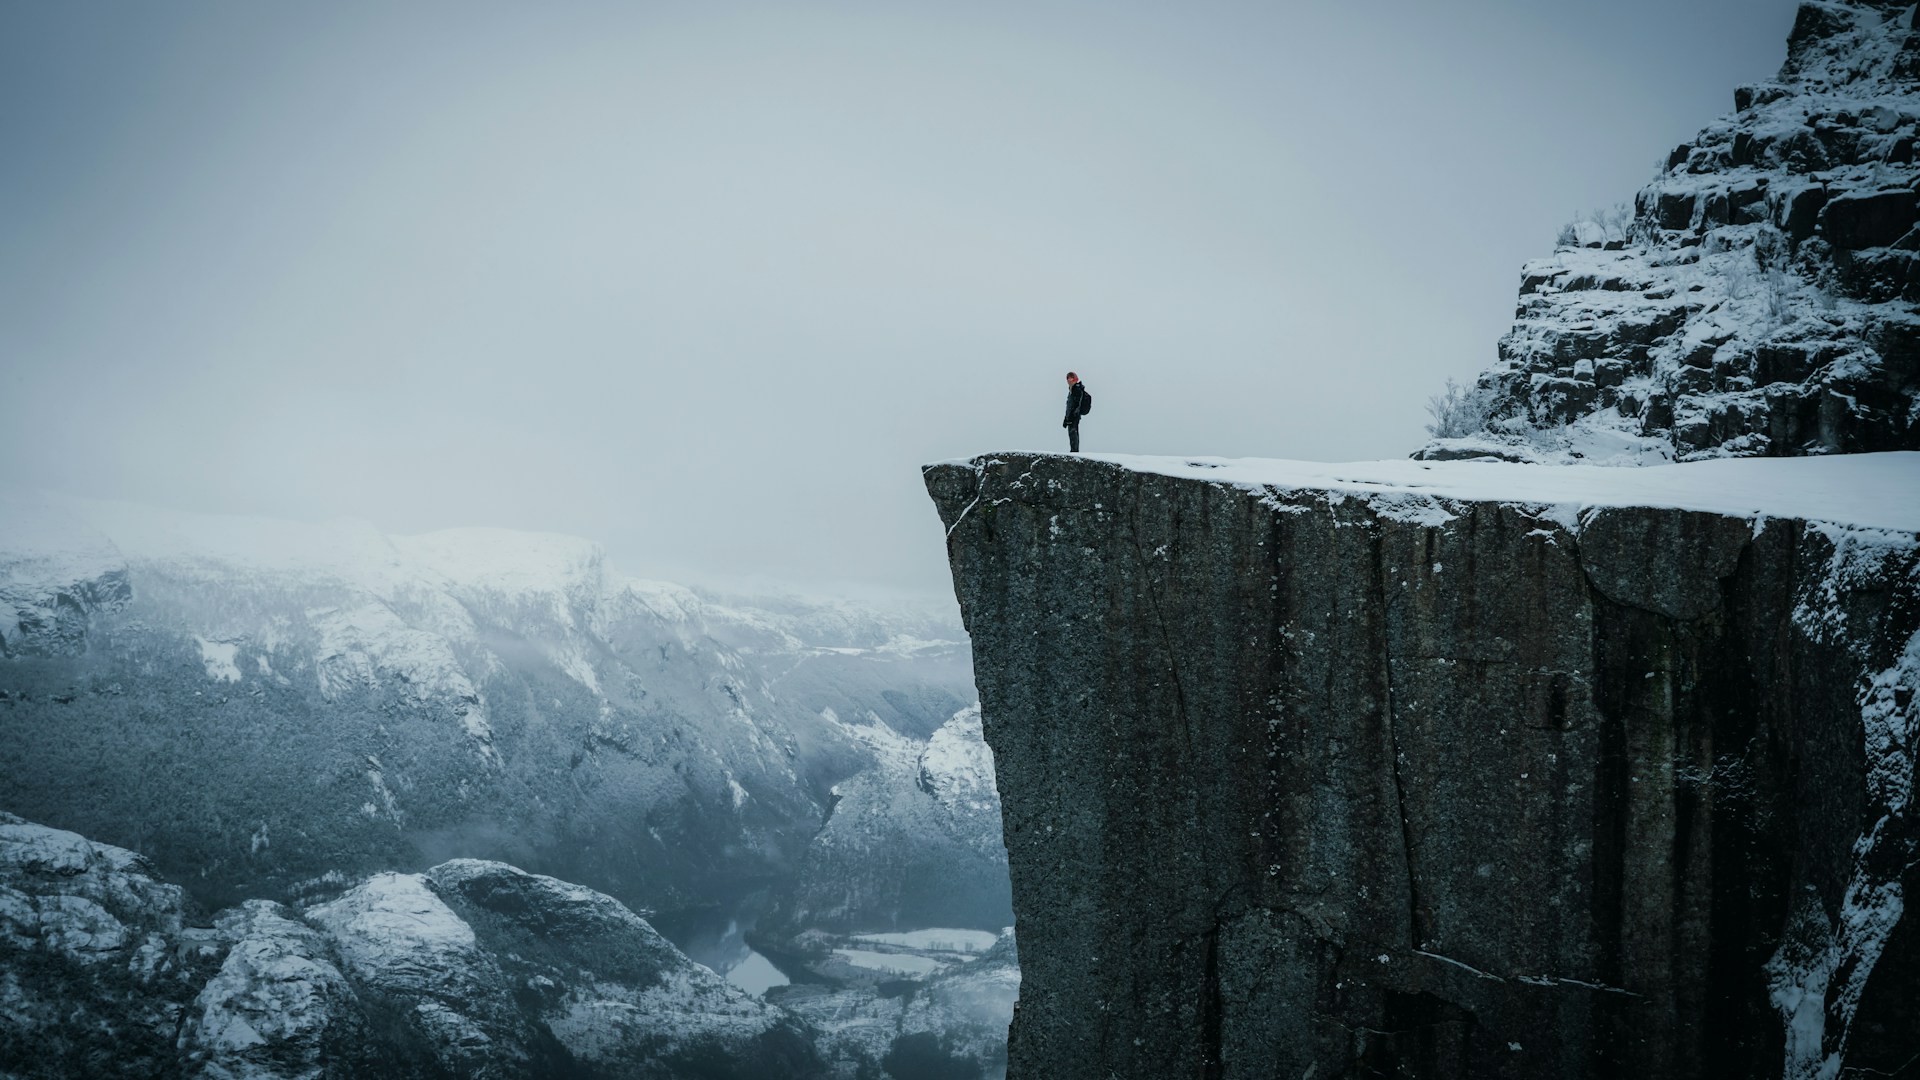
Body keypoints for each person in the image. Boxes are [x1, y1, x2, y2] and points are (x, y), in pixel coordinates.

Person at [1063, 372, 1090, 452]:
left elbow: (1076, 404)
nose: (1069, 380)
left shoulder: (1077, 389)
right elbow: (1069, 405)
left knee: (1073, 432)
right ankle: (1073, 450)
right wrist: (1066, 418)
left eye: (1071, 378)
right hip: (1071, 415)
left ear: (1075, 379)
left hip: (1074, 416)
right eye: (1068, 378)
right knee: (1072, 433)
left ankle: (1074, 451)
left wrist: (1072, 416)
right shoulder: (1072, 390)